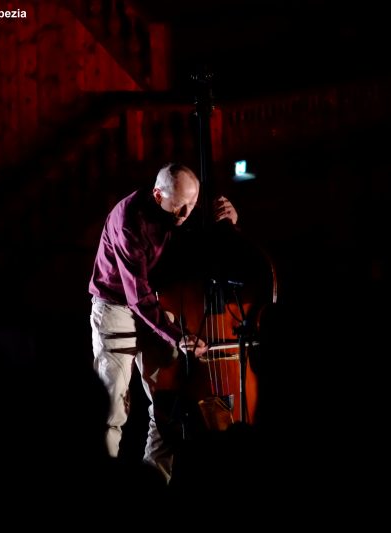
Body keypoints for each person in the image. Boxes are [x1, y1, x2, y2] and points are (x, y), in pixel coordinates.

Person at [88, 162, 238, 483]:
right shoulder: (130, 220)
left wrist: (230, 224)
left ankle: (154, 481)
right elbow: (136, 296)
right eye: (179, 207)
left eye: (192, 205)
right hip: (116, 303)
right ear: (158, 196)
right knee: (113, 403)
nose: (185, 213)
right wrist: (175, 335)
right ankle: (103, 486)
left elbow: (207, 238)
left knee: (167, 404)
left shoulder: (183, 205)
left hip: (154, 300)